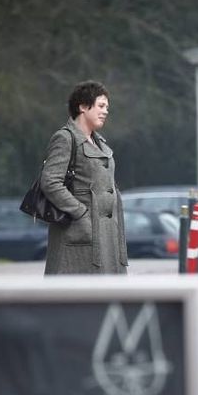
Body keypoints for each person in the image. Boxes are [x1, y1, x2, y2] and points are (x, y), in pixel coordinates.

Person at [41, 80, 128, 275]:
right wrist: (80, 213)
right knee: (76, 298)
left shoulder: (99, 142)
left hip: (107, 234)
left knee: (106, 297)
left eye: (107, 107)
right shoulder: (65, 138)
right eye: (101, 106)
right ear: (82, 106)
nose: (105, 111)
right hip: (79, 232)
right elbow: (50, 182)